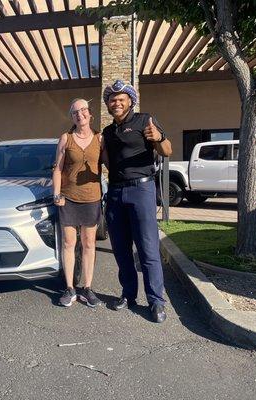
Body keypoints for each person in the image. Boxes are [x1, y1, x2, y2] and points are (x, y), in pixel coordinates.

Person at [101, 80, 172, 323]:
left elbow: (167, 150)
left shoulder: (145, 121)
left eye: (121, 98)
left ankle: (156, 301)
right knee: (121, 250)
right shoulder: (108, 132)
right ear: (108, 105)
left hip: (141, 190)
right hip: (116, 193)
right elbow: (108, 162)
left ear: (130, 101)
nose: (116, 102)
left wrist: (160, 137)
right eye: (112, 99)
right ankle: (128, 294)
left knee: (147, 248)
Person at [52, 98, 103, 308]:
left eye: (83, 110)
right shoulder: (66, 138)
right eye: (74, 112)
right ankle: (70, 287)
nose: (79, 114)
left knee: (89, 243)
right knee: (68, 243)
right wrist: (56, 193)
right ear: (72, 117)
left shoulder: (100, 139)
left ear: (90, 114)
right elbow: (57, 168)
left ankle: (87, 288)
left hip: (92, 198)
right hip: (68, 198)